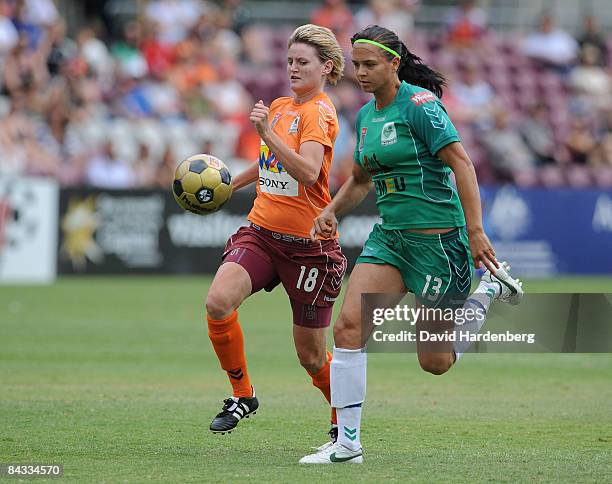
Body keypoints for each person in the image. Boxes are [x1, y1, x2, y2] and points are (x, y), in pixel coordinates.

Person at [299, 25, 523, 464]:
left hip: (439, 244)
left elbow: (462, 163)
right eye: (356, 65)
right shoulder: (366, 117)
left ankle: (488, 291)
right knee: (347, 328)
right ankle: (347, 443)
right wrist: (331, 211)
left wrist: (475, 231)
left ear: (393, 64)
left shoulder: (420, 105)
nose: (359, 73)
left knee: (434, 362)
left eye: (369, 65)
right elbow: (362, 179)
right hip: (392, 240)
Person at [205, 24, 347, 441]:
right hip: (263, 233)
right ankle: (241, 394)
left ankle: (344, 421)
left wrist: (266, 133)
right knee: (217, 302)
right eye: (289, 61)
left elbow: (305, 171)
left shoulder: (319, 112)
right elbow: (271, 166)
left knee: (311, 356)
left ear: (327, 66)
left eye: (303, 62)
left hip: (309, 249)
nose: (293, 68)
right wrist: (229, 184)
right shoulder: (283, 106)